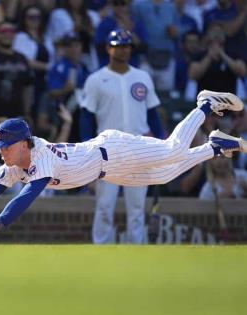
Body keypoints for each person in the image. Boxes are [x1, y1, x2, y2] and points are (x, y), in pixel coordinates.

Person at [0, 90, 247, 242]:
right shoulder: (13, 164)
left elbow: (22, 201)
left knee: (172, 149)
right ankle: (214, 147)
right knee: (165, 172)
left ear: (22, 143)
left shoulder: (41, 156)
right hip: (107, 170)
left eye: (4, 146)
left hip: (113, 149)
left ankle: (205, 104)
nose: (0, 151)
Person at [80, 28, 164, 244]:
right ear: (109, 48)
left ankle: (136, 249)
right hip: (107, 150)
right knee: (105, 205)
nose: (123, 50)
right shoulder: (96, 79)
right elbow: (86, 118)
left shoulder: (142, 77)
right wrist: (85, 150)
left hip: (138, 147)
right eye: (118, 46)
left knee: (136, 207)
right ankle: (101, 247)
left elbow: (153, 114)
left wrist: (162, 145)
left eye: (127, 45)